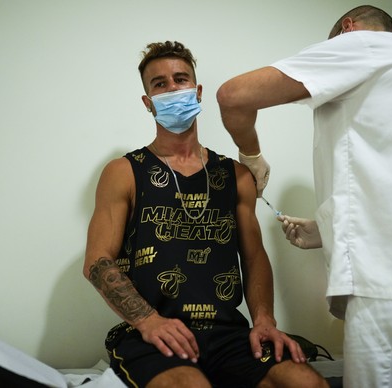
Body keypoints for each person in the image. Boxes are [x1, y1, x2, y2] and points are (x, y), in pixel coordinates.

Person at [216, 5, 392, 388]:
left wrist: (251, 155)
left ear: (348, 28)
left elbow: (233, 96)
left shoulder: (366, 45)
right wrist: (326, 228)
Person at [83, 41, 328, 388]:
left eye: (180, 80)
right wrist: (149, 322)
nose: (172, 89)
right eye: (160, 84)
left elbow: (254, 256)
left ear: (197, 92)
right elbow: (97, 261)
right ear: (148, 103)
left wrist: (264, 320)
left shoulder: (237, 175)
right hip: (153, 333)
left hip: (229, 334)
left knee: (306, 383)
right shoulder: (123, 172)